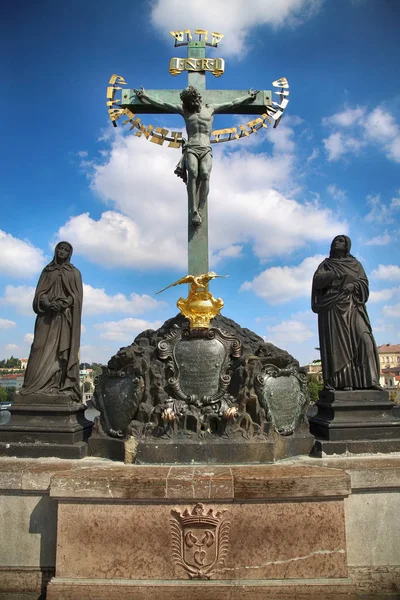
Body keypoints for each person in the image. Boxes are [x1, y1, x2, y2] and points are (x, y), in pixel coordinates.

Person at [134, 85, 258, 226]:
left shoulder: (210, 108)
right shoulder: (185, 111)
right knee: (193, 173)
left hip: (205, 148)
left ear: (196, 98)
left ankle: (200, 208)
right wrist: (145, 96)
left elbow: (232, 103)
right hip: (192, 147)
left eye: (190, 100)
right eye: (186, 101)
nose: (189, 104)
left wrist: (248, 97)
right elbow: (163, 104)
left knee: (205, 174)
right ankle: (193, 209)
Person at [311, 235, 381, 391]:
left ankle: (371, 381)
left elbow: (364, 284)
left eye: (341, 241)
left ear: (347, 245)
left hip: (354, 306)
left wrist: (354, 286)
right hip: (334, 308)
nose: (337, 242)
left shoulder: (355, 264)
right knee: (339, 345)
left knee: (365, 340)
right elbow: (317, 281)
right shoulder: (327, 264)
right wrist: (335, 275)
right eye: (335, 240)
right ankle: (342, 383)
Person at [19, 241, 83, 400]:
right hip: (46, 316)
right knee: (38, 347)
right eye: (60, 248)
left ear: (70, 254)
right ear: (56, 250)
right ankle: (32, 386)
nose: (62, 251)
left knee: (61, 351)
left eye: (66, 250)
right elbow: (39, 293)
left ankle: (57, 385)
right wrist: (46, 302)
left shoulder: (74, 272)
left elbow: (77, 296)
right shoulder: (47, 271)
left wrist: (65, 302)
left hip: (64, 318)